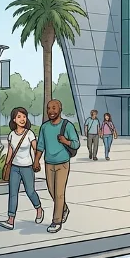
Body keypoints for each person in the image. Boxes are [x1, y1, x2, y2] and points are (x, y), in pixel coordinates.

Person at [33, 100, 80, 234]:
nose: (51, 111)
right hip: (49, 163)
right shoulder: (44, 127)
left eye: (54, 108)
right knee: (52, 191)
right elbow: (40, 145)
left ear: (60, 109)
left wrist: (66, 141)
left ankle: (56, 221)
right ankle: (64, 209)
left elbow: (76, 144)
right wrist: (36, 161)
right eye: (49, 108)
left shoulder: (67, 126)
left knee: (59, 193)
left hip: (62, 163)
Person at [0, 107, 44, 230]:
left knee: (30, 192)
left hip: (27, 167)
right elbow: (10, 151)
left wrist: (36, 162)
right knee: (13, 193)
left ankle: (39, 209)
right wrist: (6, 165)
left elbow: (36, 149)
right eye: (19, 117)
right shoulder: (11, 135)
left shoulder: (29, 134)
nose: (22, 119)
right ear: (14, 119)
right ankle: (10, 219)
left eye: (24, 116)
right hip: (14, 168)